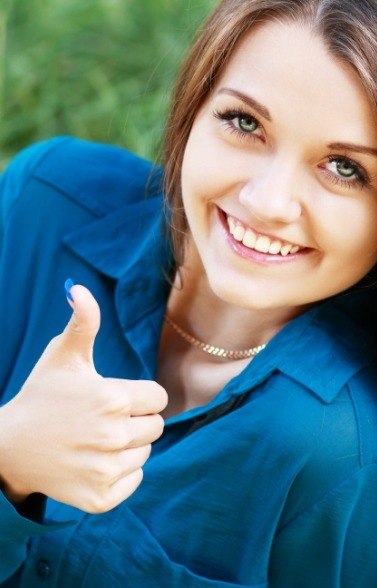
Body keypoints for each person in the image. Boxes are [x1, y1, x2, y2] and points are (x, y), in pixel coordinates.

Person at [1, 0, 377, 585]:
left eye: (345, 169)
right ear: (193, 106)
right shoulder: (41, 207)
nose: (266, 202)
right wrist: (10, 456)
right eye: (245, 123)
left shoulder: (347, 454)